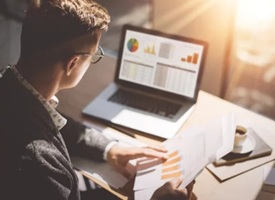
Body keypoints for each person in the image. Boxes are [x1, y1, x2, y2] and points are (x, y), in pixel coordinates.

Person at [0, 0, 192, 199]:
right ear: (72, 63)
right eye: (93, 55)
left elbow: (52, 124)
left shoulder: (10, 90)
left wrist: (110, 148)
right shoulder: (39, 165)